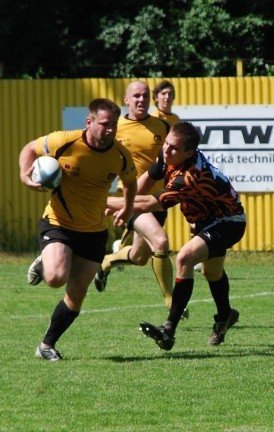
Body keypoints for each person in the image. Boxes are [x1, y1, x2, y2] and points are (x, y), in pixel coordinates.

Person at [106, 121, 245, 350]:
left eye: (173, 149)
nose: (166, 150)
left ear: (189, 153)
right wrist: (125, 201)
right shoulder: (169, 155)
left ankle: (168, 329)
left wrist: (104, 201)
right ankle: (225, 316)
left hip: (229, 222)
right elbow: (144, 183)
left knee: (184, 258)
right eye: (166, 144)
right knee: (213, 272)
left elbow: (150, 203)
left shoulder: (191, 175)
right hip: (206, 221)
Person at [21, 98, 137, 361]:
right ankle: (45, 260)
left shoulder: (119, 154)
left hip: (95, 231)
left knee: (77, 294)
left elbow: (131, 183)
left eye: (114, 125)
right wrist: (24, 176)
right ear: (89, 122)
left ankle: (46, 345)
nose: (110, 130)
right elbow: (29, 149)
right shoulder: (64, 141)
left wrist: (127, 209)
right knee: (55, 278)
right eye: (105, 124)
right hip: (59, 223)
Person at [94, 81, 182, 317]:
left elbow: (176, 157)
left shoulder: (162, 126)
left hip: (158, 200)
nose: (141, 100)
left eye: (144, 96)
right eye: (136, 96)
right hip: (132, 198)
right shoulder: (116, 127)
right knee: (161, 243)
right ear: (126, 100)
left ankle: (106, 262)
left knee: (140, 256)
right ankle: (171, 301)